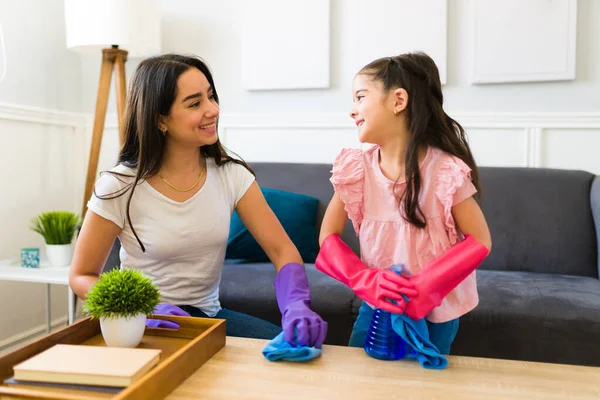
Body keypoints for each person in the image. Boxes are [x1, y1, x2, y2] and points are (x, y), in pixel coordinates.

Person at [69, 54, 327, 348]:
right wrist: (144, 311)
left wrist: (296, 304)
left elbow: (282, 250)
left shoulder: (232, 175)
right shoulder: (119, 184)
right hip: (140, 324)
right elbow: (81, 275)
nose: (213, 110)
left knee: (297, 353)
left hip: (205, 318)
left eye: (211, 96)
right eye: (195, 103)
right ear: (159, 119)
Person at [315, 52, 492, 354]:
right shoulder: (356, 170)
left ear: (398, 101)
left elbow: (480, 240)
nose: (352, 111)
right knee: (362, 375)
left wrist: (427, 288)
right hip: (378, 306)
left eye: (360, 97)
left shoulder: (445, 172)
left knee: (422, 386)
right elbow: (327, 237)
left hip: (437, 313)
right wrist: (364, 279)